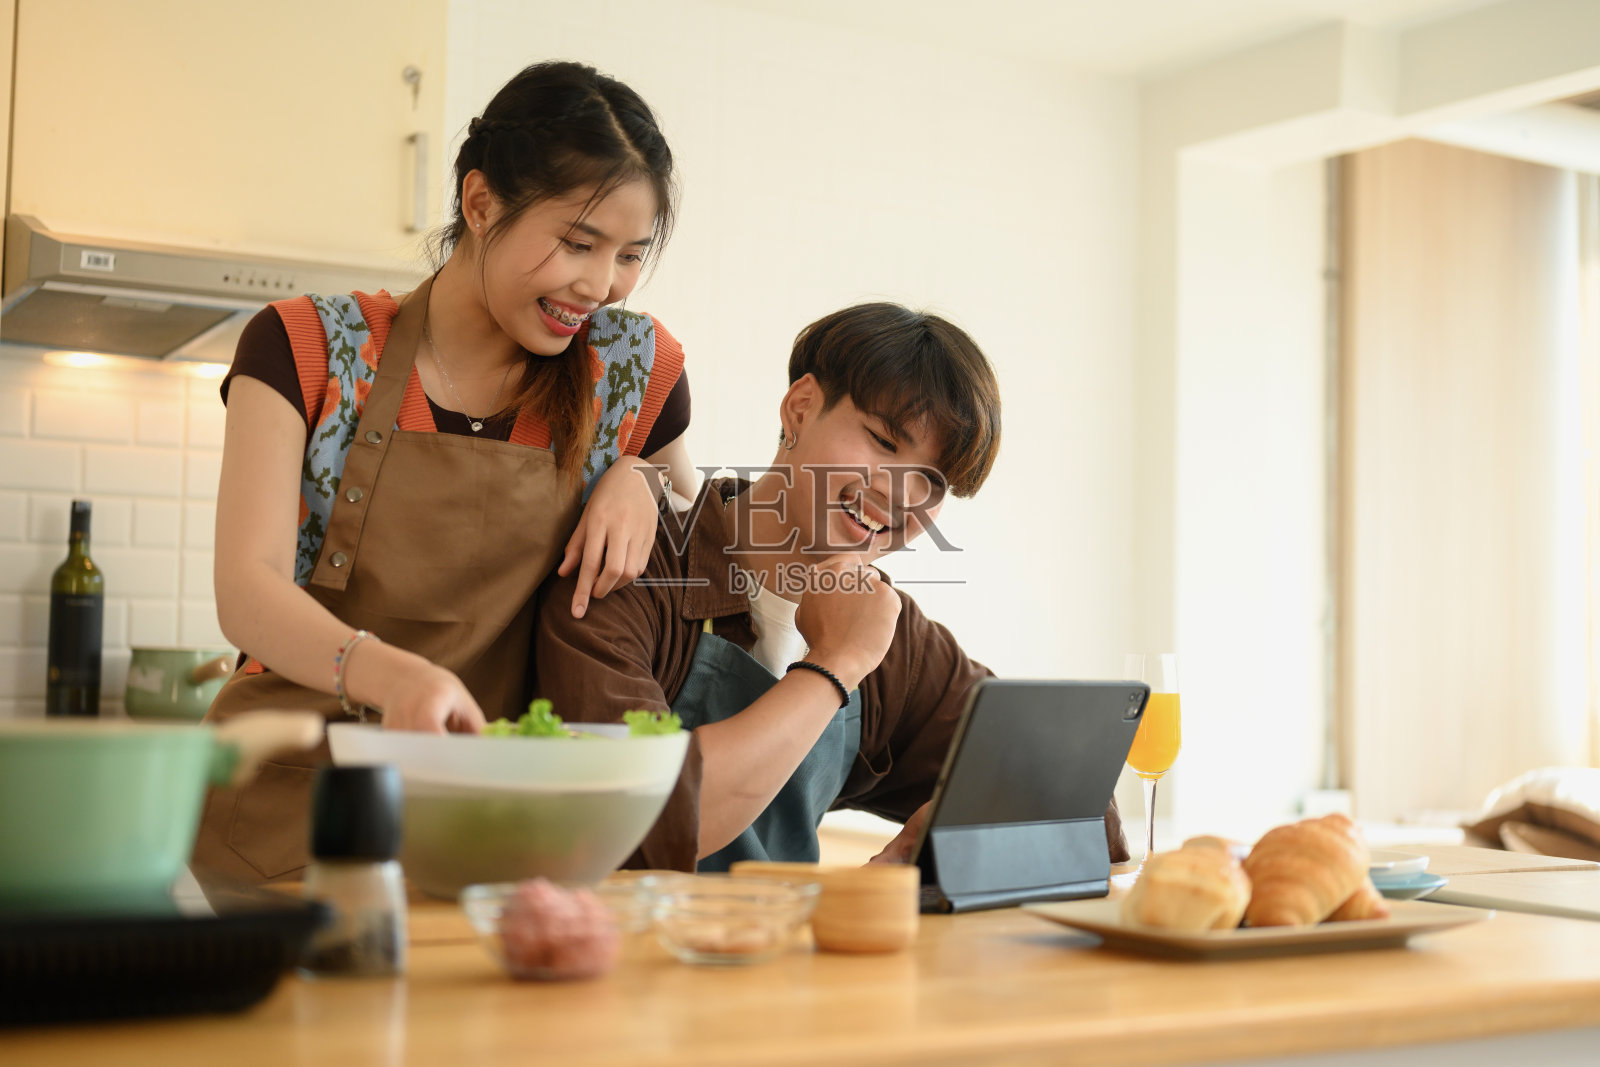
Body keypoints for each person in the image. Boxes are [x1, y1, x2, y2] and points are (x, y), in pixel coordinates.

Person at [193, 61, 694, 883]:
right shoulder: (306, 346)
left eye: (630, 255)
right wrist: (392, 677)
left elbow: (696, 571)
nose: (601, 285)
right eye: (578, 243)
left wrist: (643, 478)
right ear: (481, 203)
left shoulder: (633, 373)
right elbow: (246, 590)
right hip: (298, 810)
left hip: (497, 826)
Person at [535, 303, 1128, 870]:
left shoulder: (893, 637)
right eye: (884, 442)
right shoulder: (631, 566)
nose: (900, 493)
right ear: (800, 408)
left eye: (935, 481)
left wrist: (940, 842)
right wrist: (835, 664)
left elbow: (1081, 804)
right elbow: (635, 821)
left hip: (792, 941)